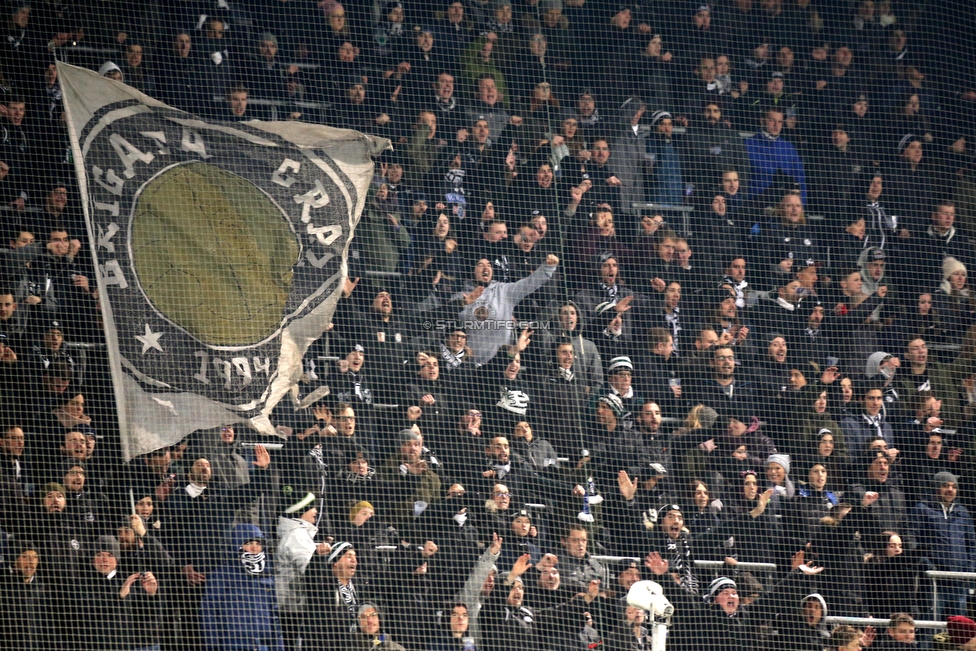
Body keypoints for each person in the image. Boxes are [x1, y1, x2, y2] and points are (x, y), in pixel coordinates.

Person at [912, 471, 976, 619]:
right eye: (945, 486)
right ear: (936, 488)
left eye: (953, 487)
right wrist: (926, 564)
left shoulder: (963, 513)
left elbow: (972, 544)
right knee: (931, 627)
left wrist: (969, 570)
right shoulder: (922, 509)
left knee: (959, 631)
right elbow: (911, 539)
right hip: (934, 581)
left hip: (959, 582)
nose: (950, 490)